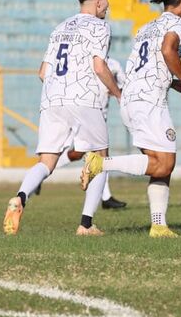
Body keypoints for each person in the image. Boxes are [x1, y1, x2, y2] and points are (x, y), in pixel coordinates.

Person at [81, 0, 181, 238]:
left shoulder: (146, 27)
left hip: (132, 98)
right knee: (164, 164)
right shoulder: (177, 23)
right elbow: (168, 50)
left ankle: (158, 225)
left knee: (158, 162)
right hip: (149, 102)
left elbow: (148, 65)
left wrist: (174, 83)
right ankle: (100, 164)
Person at [2, 0, 121, 236]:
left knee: (47, 161)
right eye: (107, 0)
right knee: (101, 158)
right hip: (83, 99)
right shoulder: (100, 27)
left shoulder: (59, 27)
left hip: (52, 99)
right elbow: (99, 67)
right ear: (99, 1)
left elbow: (43, 72)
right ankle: (86, 224)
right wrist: (117, 93)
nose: (108, 6)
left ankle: (21, 197)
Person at [51, 56, 128, 209]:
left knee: (88, 154)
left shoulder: (114, 64)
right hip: (80, 112)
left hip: (101, 114)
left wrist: (114, 89)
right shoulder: (84, 60)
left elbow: (123, 86)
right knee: (96, 155)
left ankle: (46, 169)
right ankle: (105, 199)